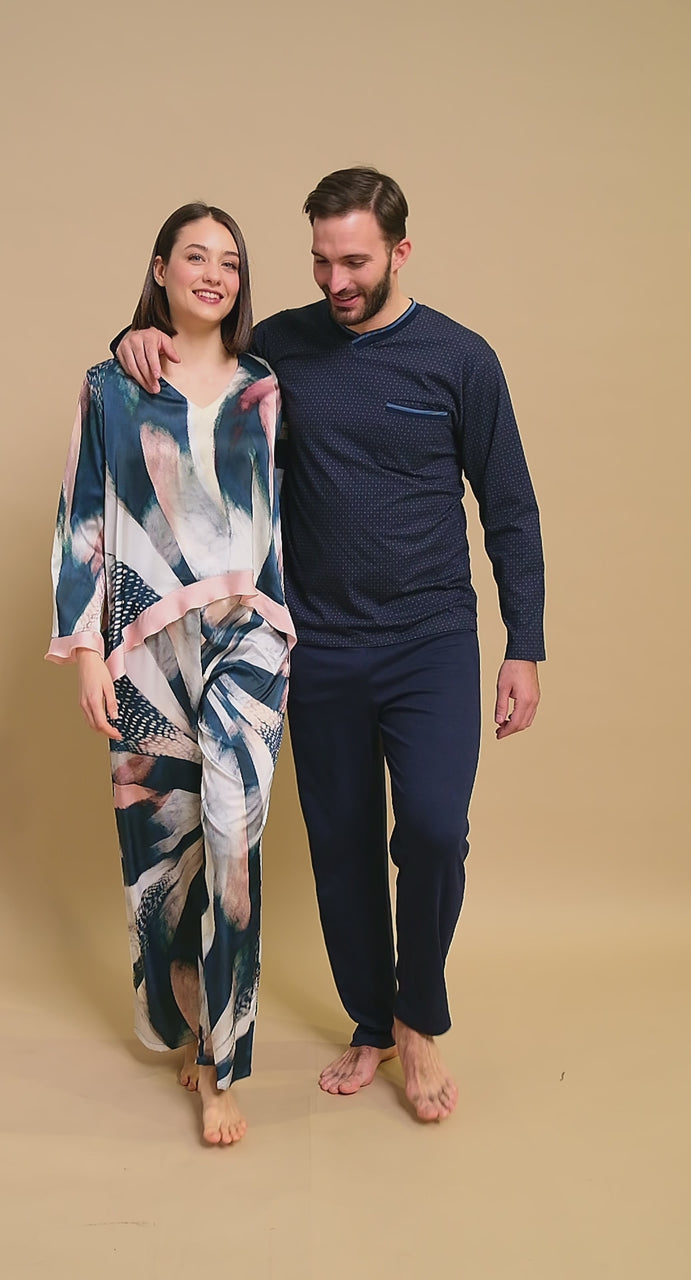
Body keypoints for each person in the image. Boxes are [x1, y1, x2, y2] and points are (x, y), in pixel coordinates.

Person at [115, 168, 545, 1124]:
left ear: (401, 252)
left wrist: (526, 643)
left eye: (354, 262)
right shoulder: (278, 350)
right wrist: (131, 337)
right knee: (341, 846)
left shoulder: (460, 360)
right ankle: (373, 1024)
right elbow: (192, 372)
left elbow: (510, 508)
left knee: (431, 829)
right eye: (320, 260)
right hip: (318, 646)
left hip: (432, 638)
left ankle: (420, 1017)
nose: (335, 280)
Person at [47, 202, 294, 1146]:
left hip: (250, 635)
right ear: (161, 269)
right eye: (196, 256)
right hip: (145, 648)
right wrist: (85, 654)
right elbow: (81, 518)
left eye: (230, 261)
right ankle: (189, 1020)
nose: (215, 274)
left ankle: (223, 1068)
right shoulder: (112, 385)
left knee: (233, 837)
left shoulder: (265, 385)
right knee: (164, 853)